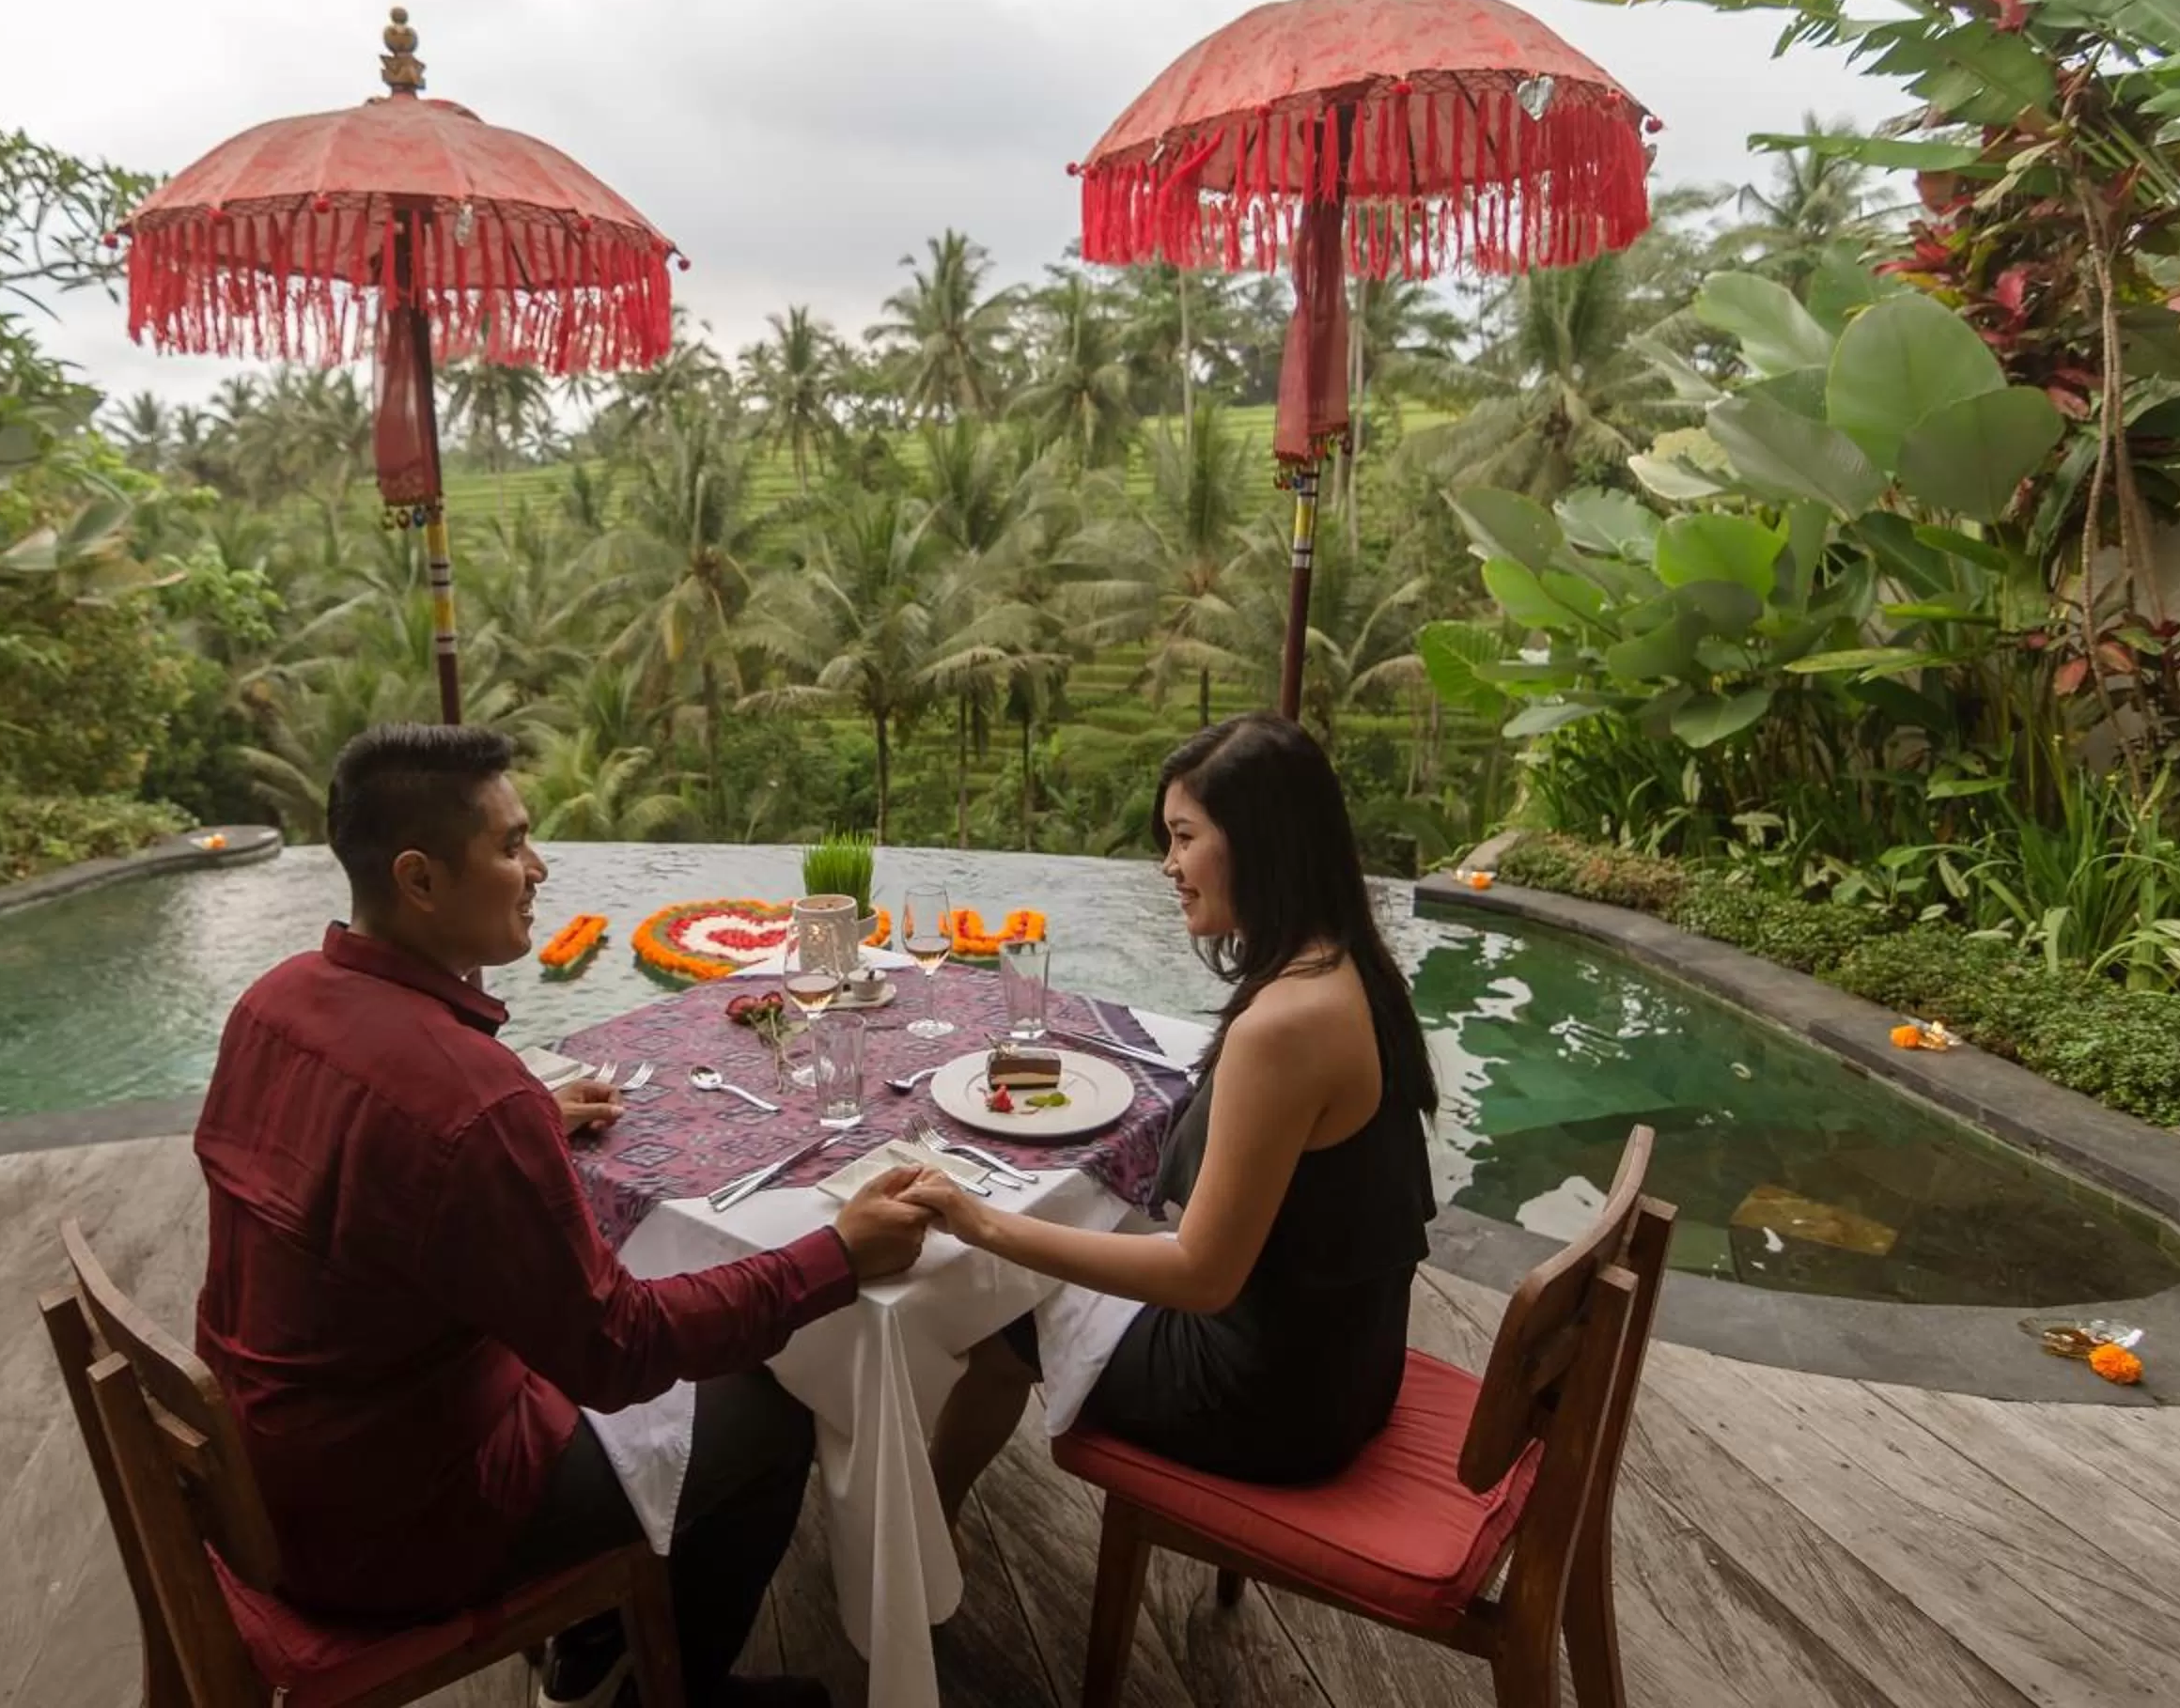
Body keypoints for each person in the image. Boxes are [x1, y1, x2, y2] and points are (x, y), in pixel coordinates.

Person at [193, 723, 931, 1708]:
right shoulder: (468, 1098)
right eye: (509, 845)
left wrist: (524, 1117)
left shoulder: (275, 1001)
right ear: (418, 878)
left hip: (270, 1465)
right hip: (394, 1529)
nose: (537, 867)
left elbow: (358, 1172)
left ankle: (596, 1642)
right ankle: (666, 1690)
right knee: (772, 1402)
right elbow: (617, 1349)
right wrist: (837, 1252)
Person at [900, 712, 1438, 1517]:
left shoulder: (1285, 1024)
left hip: (1269, 1403)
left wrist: (980, 1223)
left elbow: (1202, 1275)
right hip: (1349, 1362)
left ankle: (923, 1535)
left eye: (1185, 838)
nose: (1169, 866)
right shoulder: (1350, 965)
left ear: (1259, 842)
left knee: (998, 1307)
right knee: (1065, 1250)